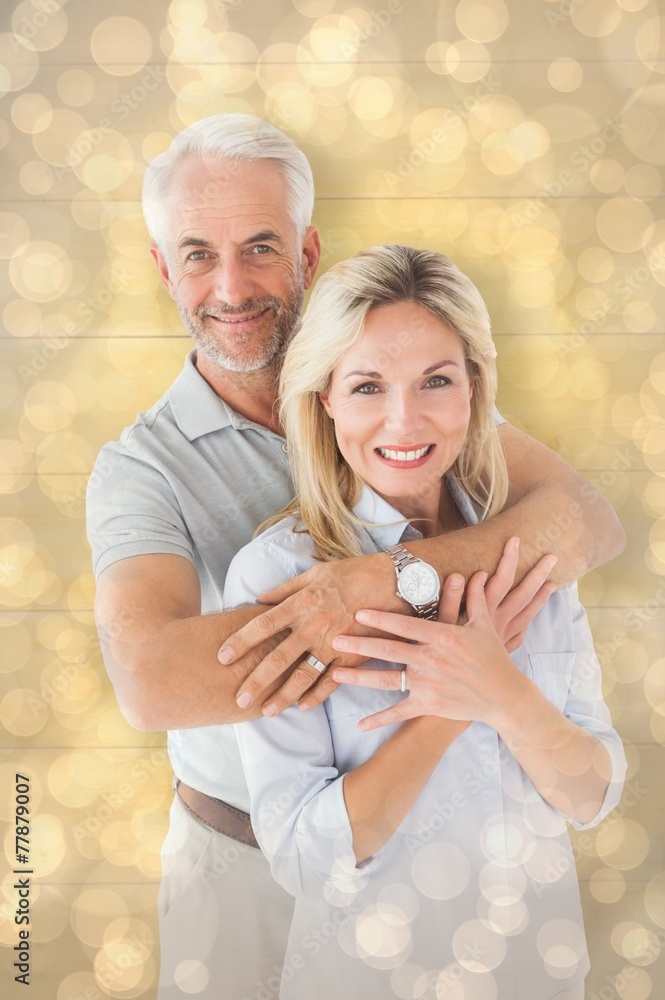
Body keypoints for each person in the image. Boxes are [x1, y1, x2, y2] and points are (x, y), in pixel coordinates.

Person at [86, 114, 625, 997]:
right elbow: (154, 682)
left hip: (455, 877)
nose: (231, 286)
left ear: (306, 249)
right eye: (196, 254)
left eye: (260, 246)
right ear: (161, 268)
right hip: (244, 857)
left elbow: (585, 520)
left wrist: (393, 578)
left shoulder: (404, 380)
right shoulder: (143, 467)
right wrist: (455, 654)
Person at [224, 245, 626, 1000]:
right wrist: (447, 709)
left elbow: (590, 795)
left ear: (474, 389)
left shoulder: (528, 554)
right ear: (326, 401)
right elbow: (305, 859)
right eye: (368, 386)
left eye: (435, 381)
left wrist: (501, 693)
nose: (403, 421)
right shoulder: (279, 580)